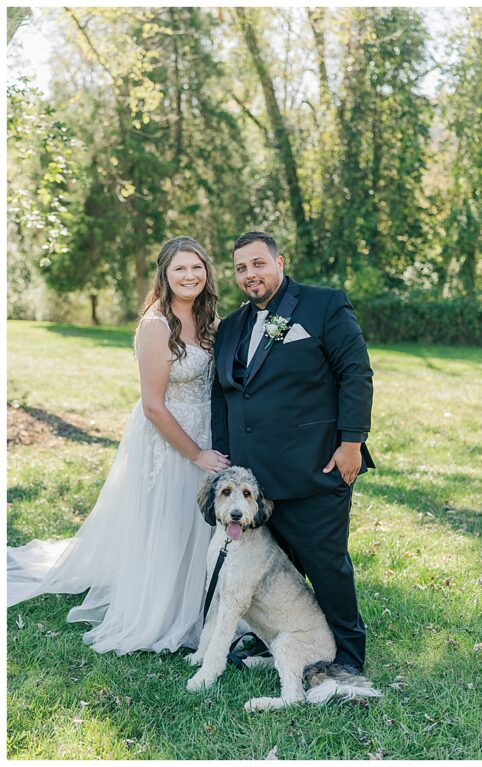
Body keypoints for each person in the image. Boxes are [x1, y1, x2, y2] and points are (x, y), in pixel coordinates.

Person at [7, 236, 228, 654]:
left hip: (207, 429)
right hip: (167, 436)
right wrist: (195, 453)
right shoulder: (155, 325)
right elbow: (152, 406)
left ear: (206, 272)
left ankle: (202, 604)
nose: (189, 275)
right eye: (179, 268)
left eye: (196, 267)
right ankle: (161, 612)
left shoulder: (212, 320)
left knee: (196, 523)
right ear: (164, 274)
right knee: (166, 522)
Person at [211, 231, 374, 675]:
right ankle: (275, 641)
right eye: (242, 268)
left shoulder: (323, 305)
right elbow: (222, 398)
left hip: (314, 468)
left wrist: (351, 443)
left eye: (258, 263)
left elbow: (355, 372)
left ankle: (347, 656)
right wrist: (226, 465)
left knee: (325, 565)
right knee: (273, 573)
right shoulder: (230, 328)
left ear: (280, 262)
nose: (251, 274)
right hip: (254, 489)